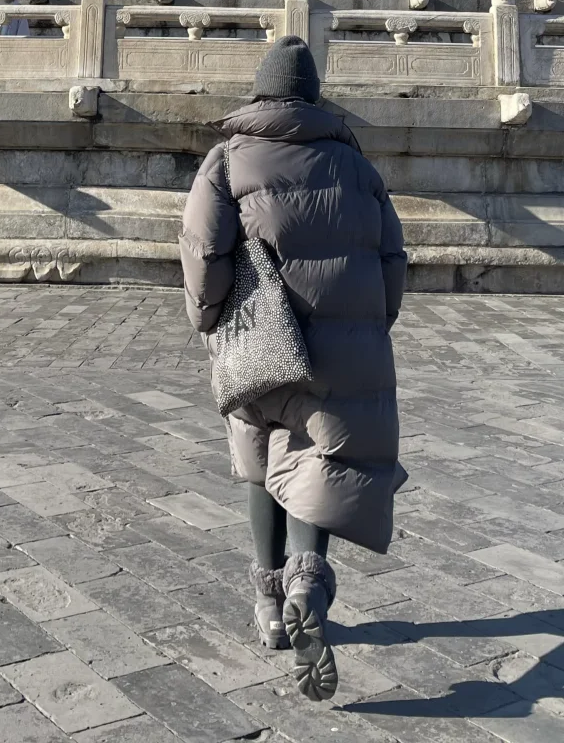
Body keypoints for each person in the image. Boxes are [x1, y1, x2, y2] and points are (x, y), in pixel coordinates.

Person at [179, 36, 406, 702]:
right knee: (319, 461)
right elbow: (392, 258)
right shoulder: (355, 164)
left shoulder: (228, 158)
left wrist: (209, 316)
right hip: (345, 344)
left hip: (263, 340)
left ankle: (271, 604)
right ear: (312, 96)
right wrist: (372, 321)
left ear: (260, 91)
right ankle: (308, 584)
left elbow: (203, 252)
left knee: (261, 460)